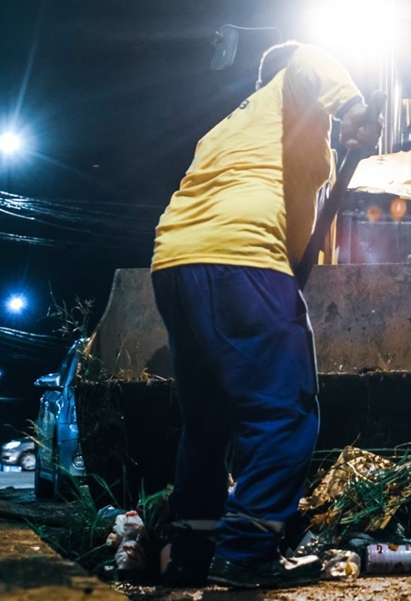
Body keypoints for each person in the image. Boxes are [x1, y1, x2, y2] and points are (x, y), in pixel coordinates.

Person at [150, 41, 381, 589]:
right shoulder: (291, 88)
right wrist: (351, 107)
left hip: (175, 262)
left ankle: (191, 550)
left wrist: (288, 277)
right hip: (241, 259)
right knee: (284, 412)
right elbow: (307, 56)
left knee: (205, 421)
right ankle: (248, 549)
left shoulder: (233, 129)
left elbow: (297, 218)